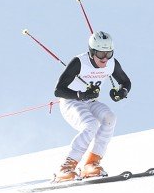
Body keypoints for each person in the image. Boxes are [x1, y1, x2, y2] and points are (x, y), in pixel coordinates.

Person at [52, 30, 132, 182]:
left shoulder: (111, 64)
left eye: (108, 54)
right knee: (91, 125)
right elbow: (58, 91)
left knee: (110, 118)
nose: (105, 59)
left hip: (89, 102)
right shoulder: (79, 62)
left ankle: (91, 163)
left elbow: (126, 82)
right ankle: (66, 168)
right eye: (100, 54)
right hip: (70, 102)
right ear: (91, 51)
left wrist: (121, 92)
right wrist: (81, 95)